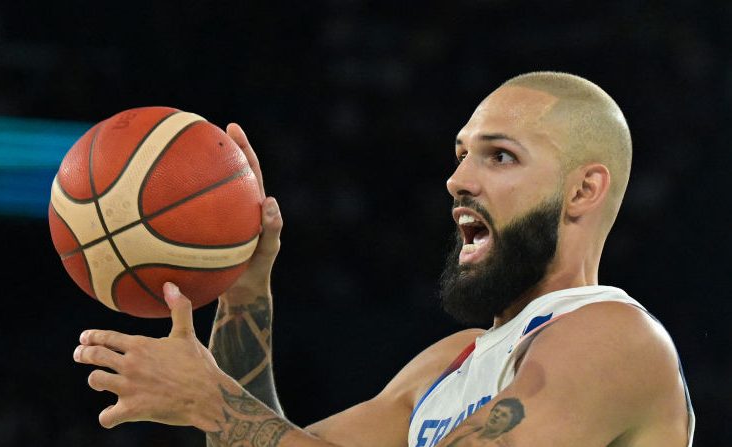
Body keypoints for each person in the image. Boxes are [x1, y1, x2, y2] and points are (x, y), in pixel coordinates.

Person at [72, 72, 695, 447]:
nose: (457, 179)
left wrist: (211, 400)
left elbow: (235, 421)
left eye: (499, 156)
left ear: (584, 190)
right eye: (461, 154)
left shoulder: (614, 337)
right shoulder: (449, 365)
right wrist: (243, 285)